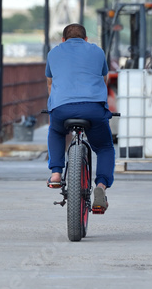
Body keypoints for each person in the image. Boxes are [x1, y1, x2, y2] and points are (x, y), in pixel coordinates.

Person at [45, 23, 114, 212]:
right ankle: (100, 186)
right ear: (86, 40)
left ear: (63, 40)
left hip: (62, 108)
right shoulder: (97, 51)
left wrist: (54, 105)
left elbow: (50, 85)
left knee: (56, 131)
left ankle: (57, 173)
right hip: (93, 108)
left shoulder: (53, 53)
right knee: (105, 147)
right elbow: (104, 79)